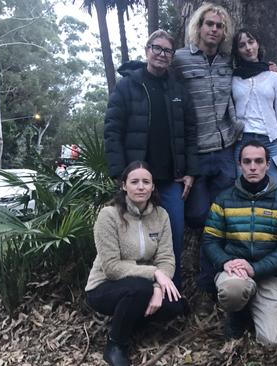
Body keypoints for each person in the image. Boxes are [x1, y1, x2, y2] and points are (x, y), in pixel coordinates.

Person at [104, 30, 198, 289]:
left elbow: (191, 132)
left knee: (173, 237)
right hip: (136, 181)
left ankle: (171, 292)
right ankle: (136, 294)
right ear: (147, 50)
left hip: (170, 180)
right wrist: (120, 173)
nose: (161, 54)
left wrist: (190, 171)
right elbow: (112, 130)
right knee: (132, 240)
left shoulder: (178, 90)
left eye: (167, 51)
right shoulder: (127, 85)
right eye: (157, 48)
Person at [172, 3, 243, 294]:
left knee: (223, 218)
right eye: (209, 24)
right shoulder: (179, 60)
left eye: (219, 25)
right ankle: (208, 275)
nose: (214, 29)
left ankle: (210, 283)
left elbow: (252, 66)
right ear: (198, 27)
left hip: (226, 150)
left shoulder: (229, 61)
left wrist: (270, 67)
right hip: (196, 154)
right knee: (200, 216)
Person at [85, 161, 185, 366]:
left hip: (146, 284)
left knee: (177, 305)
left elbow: (166, 257)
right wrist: (155, 274)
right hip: (104, 287)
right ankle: (116, 345)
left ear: (153, 186)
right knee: (138, 289)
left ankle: (133, 323)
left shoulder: (161, 215)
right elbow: (112, 268)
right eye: (134, 182)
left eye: (146, 182)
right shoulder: (109, 215)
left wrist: (158, 287)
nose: (141, 187)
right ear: (124, 186)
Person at [202, 140, 277, 345]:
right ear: (240, 165)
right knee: (232, 291)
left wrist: (255, 268)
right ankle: (237, 315)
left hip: (271, 275)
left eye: (258, 161)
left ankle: (258, 307)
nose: (253, 167)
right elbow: (210, 239)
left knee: (272, 341)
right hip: (235, 272)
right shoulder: (223, 200)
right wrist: (225, 262)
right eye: (247, 161)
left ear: (267, 164)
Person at [231, 28, 277, 187]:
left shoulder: (274, 77)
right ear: (237, 50)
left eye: (251, 42)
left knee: (273, 188)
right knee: (242, 189)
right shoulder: (233, 77)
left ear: (258, 44)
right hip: (242, 140)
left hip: (271, 142)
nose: (248, 48)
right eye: (242, 45)